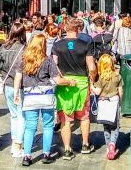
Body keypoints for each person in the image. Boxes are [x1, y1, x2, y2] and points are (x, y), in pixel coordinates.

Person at [14, 34, 75, 165]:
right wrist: (69, 82)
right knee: (47, 126)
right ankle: (46, 154)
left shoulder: (24, 59)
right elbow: (57, 80)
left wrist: (16, 94)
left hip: (30, 96)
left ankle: (27, 156)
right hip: (46, 95)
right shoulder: (47, 60)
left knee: (30, 127)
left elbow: (18, 77)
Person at [52, 18, 97, 160]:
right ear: (78, 30)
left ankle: (67, 149)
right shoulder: (85, 45)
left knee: (65, 118)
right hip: (82, 83)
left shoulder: (57, 45)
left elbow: (54, 65)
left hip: (65, 83)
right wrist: (93, 78)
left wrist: (62, 79)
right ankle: (85, 145)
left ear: (65, 29)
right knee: (84, 116)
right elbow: (91, 67)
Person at [0, 21, 27, 158]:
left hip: (7, 84)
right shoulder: (24, 48)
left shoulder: (3, 47)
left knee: (14, 115)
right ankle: (18, 145)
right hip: (20, 86)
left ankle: (15, 141)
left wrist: (1, 78)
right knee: (21, 116)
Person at [91, 53, 123, 160]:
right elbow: (120, 92)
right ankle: (112, 144)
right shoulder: (117, 76)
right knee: (115, 125)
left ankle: (108, 145)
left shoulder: (100, 78)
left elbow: (97, 92)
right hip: (114, 101)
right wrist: (120, 102)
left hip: (103, 103)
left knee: (106, 125)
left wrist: (91, 86)